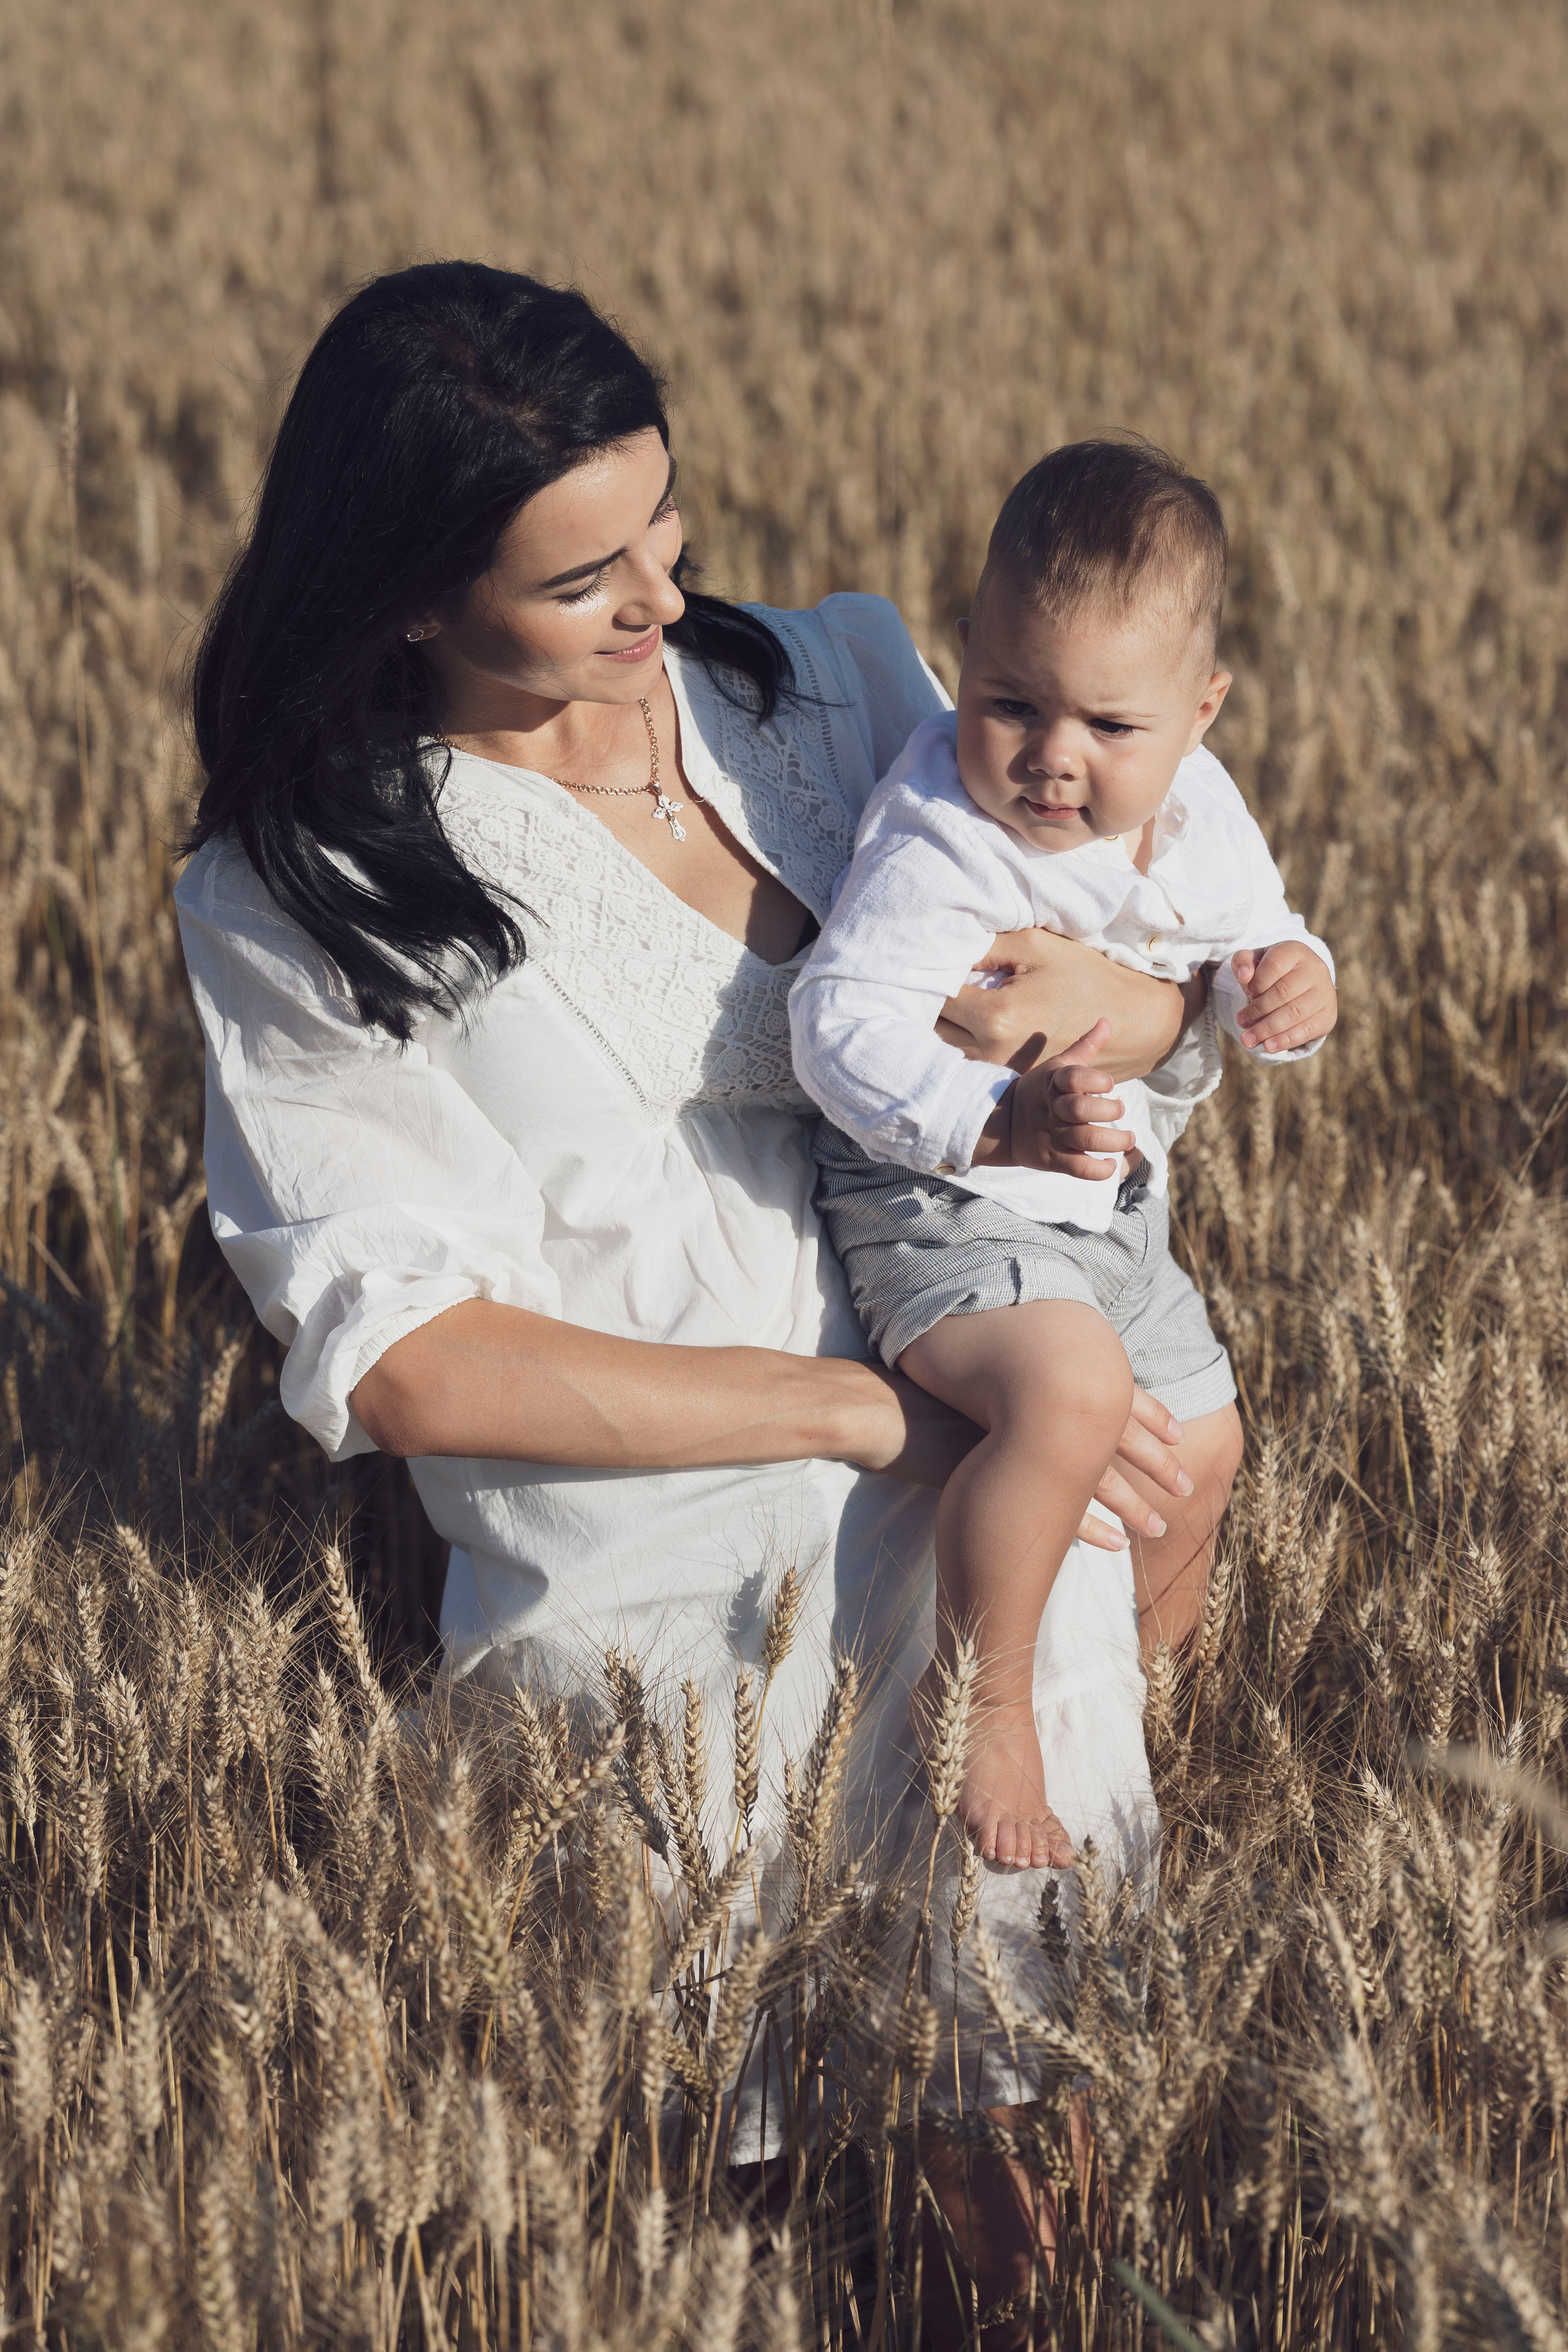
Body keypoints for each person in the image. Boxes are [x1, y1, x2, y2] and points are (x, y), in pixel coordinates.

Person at [176, 260, 1219, 2326]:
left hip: (991, 1403)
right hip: (663, 1561)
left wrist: (1136, 1028)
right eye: (586, 583)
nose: (660, 608)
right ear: (405, 597)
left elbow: (1102, 946)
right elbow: (403, 1354)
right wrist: (844, 1415)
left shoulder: (833, 677)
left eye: (668, 534)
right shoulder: (305, 881)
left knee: (1030, 2166)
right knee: (703, 2225)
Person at [791, 438, 1338, 1873]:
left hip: (1108, 1210)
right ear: (960, 657)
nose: (1049, 757)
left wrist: (1287, 982)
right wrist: (986, 1116)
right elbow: (830, 1024)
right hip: (941, 1199)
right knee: (1075, 1392)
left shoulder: (1198, 807)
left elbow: (1242, 945)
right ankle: (985, 1695)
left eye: (1107, 725)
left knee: (1203, 1443)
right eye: (1008, 702)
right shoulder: (937, 835)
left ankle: (1157, 1710)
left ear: (1197, 714)